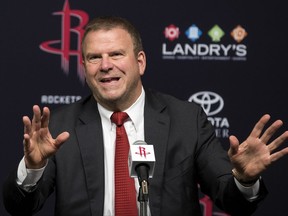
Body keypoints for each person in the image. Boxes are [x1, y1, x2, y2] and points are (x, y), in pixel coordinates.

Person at [2, 16, 288, 216]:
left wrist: (245, 181)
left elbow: (232, 200)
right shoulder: (61, 127)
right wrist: (33, 169)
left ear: (140, 62)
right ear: (84, 66)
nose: (105, 66)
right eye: (93, 57)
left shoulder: (186, 119)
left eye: (116, 54)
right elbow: (20, 208)